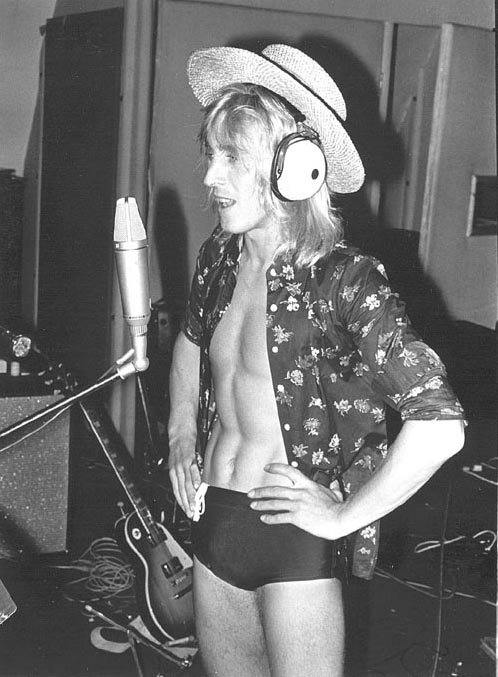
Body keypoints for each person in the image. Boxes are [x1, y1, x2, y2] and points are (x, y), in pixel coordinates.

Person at [167, 44, 465, 677]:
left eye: (231, 156)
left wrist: (343, 517)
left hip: (295, 540)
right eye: (210, 153)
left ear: (295, 168)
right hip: (213, 521)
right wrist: (179, 435)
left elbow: (440, 426)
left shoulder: (345, 281)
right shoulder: (220, 257)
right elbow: (191, 341)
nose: (210, 177)